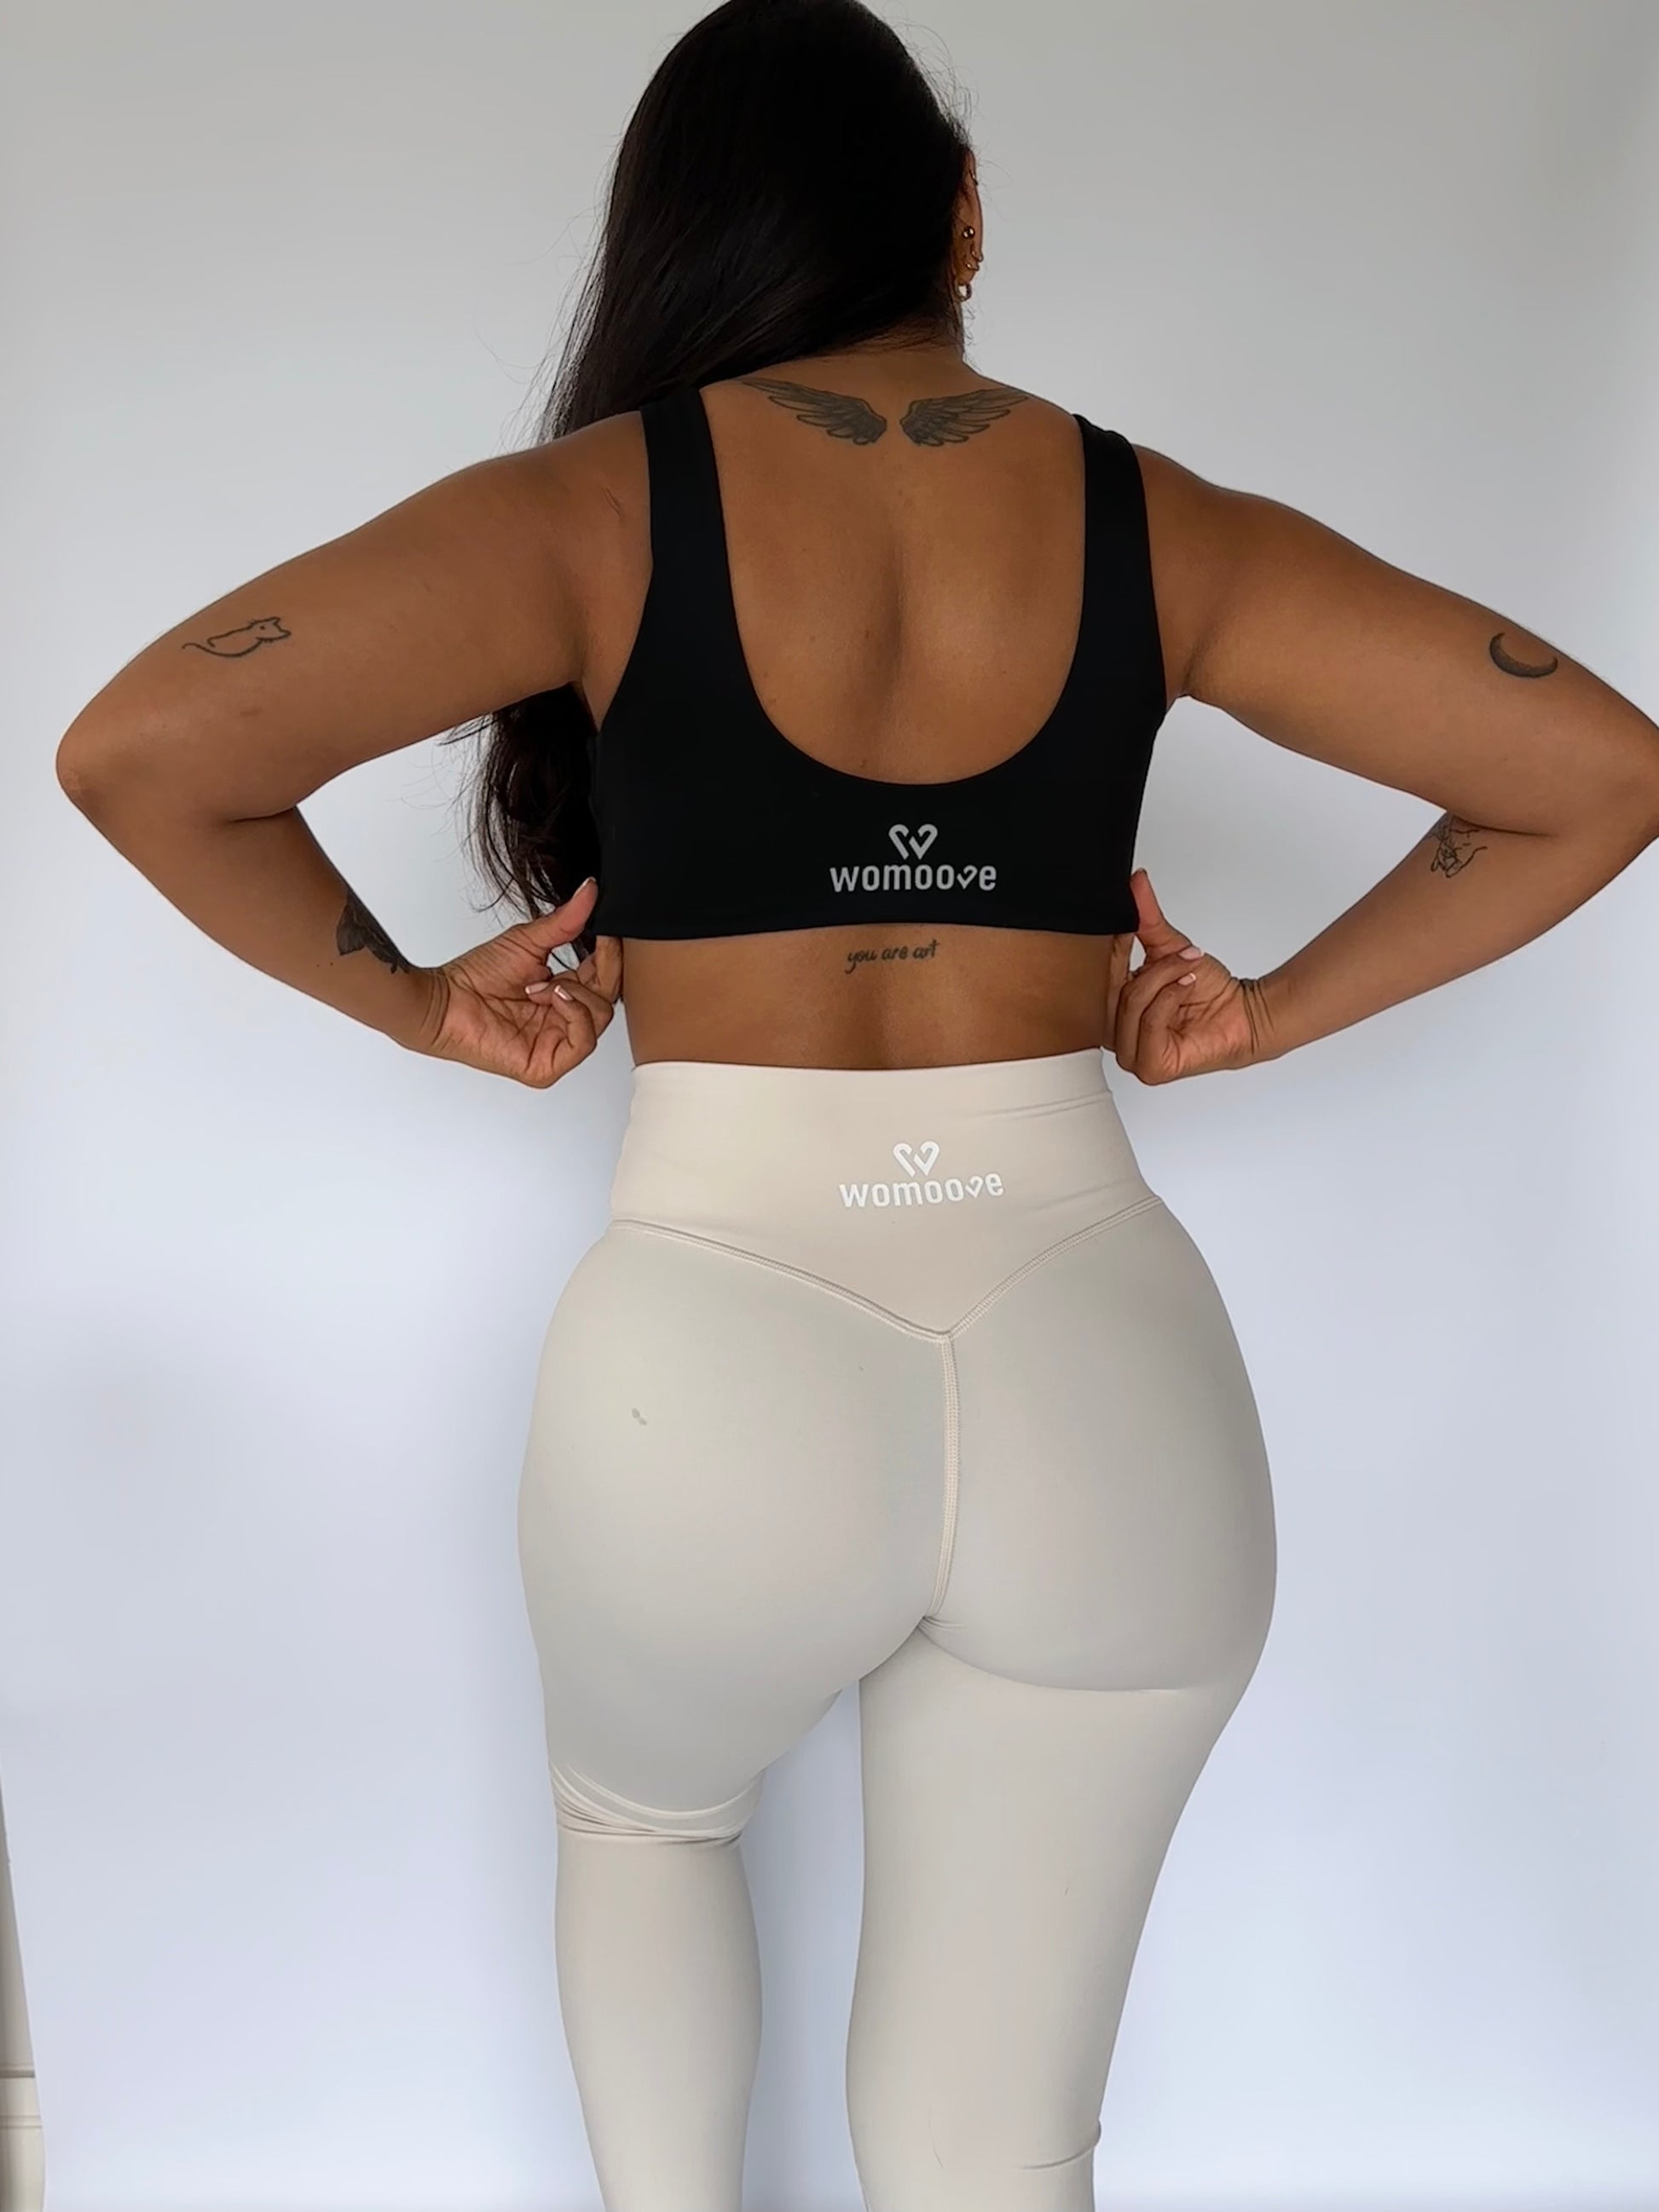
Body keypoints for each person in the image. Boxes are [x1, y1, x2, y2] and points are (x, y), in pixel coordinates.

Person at [53, 1, 1659, 2206]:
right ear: (961, 218)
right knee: (987, 2151)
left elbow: (144, 750)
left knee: (645, 1827)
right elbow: (1598, 772)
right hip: (1101, 1362)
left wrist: (423, 1010)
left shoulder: (591, 514)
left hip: (714, 1352)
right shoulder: (1158, 524)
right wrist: (1265, 1015)